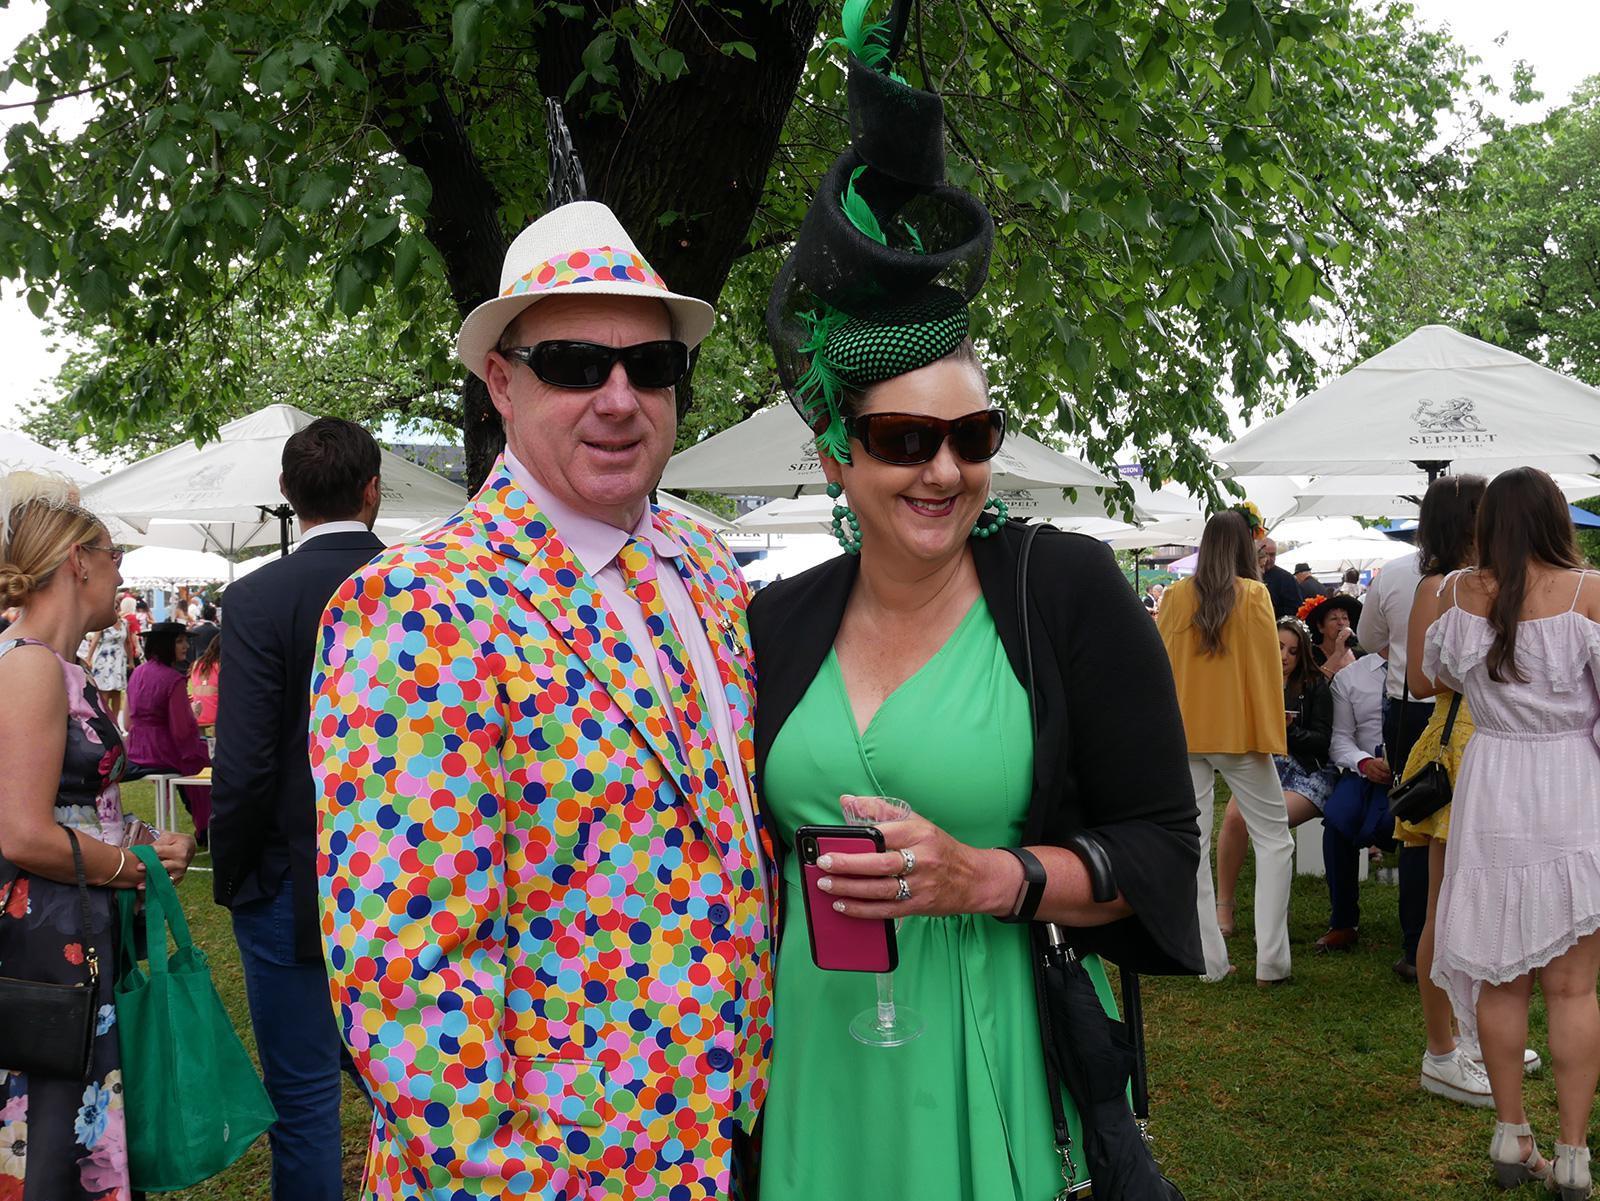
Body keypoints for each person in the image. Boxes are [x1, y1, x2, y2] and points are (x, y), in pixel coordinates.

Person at [750, 32, 1201, 1194]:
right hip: (808, 1057)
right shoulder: (774, 622)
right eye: (904, 440)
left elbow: (1160, 845)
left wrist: (987, 878)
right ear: (835, 454)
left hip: (981, 1038)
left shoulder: (1062, 590)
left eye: (972, 437)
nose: (943, 470)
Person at [310, 200, 770, 1199]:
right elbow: (405, 976)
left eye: (651, 368)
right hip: (544, 1170)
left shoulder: (702, 561)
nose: (619, 398)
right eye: (573, 363)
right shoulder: (413, 607)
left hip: (723, 1135)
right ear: (502, 382)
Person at [0, 471, 194, 1199]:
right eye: (115, 556)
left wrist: (147, 838)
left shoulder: (57, 666)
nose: (123, 574)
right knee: (53, 1136)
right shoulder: (28, 669)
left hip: (73, 932)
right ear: (78, 561)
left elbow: (73, 801)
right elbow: (21, 832)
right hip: (46, 947)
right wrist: (132, 866)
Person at [210, 417, 385, 1201]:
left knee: (307, 1097)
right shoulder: (424, 583)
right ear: (372, 490)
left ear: (287, 493)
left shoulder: (257, 597)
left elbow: (242, 762)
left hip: (289, 876)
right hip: (412, 871)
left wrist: (236, 871)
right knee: (422, 1087)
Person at [1424, 467, 1600, 1195]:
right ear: (1558, 518)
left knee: (1501, 976)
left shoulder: (1461, 596)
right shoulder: (1589, 593)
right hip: (1571, 788)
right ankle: (1573, 1153)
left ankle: (1509, 1132)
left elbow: (1429, 677)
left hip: (1491, 787)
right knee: (1572, 987)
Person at [1395, 474, 1501, 1110]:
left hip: (1490, 741)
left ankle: (1478, 1037)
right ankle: (1442, 1050)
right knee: (1446, 905)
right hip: (1458, 743)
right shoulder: (1437, 587)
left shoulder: (1485, 580)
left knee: (1482, 903)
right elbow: (1417, 678)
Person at [1158, 510, 1292, 986]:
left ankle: (1209, 962)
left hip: (1186, 734)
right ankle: (1271, 961)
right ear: (1244, 547)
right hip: (1238, 735)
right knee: (1275, 841)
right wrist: (1270, 735)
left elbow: (1162, 668)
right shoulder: (1255, 595)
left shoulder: (1174, 597)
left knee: (1192, 846)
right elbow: (1266, 673)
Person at [1215, 616, 1334, 937]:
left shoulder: (1315, 686)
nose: (1284, 656)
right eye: (1278, 646)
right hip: (1263, 767)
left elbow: (1322, 743)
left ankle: (1269, 916)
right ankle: (1224, 904)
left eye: (1293, 651)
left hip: (1308, 772)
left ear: (1303, 654)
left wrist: (1289, 729)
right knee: (1233, 817)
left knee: (1267, 820)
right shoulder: (1251, 681)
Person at [1357, 539, 1432, 983]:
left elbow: (1369, 640)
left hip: (1410, 705)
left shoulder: (1396, 573)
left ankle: (1415, 944)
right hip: (1477, 711)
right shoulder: (1489, 569)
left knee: (1417, 823)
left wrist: (1401, 652)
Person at [1319, 646, 1391, 952]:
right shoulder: (1352, 677)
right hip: (1365, 770)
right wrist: (1363, 762)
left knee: (1414, 832)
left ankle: (1420, 929)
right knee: (1337, 821)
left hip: (1418, 773)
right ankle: (1344, 922)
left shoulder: (1431, 669)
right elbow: (1340, 738)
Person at [125, 621, 212, 839]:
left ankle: (205, 824)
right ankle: (207, 825)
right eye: (180, 641)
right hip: (162, 749)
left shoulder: (137, 673)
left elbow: (127, 721)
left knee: (197, 755)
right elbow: (182, 731)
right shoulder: (172, 678)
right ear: (166, 645)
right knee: (206, 758)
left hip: (136, 748)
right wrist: (192, 715)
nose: (185, 646)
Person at [82, 611, 133, 730]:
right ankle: (104, 724)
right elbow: (94, 642)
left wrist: (131, 661)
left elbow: (128, 643)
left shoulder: (124, 623)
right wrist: (88, 659)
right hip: (104, 663)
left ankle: (115, 724)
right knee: (104, 693)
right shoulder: (103, 623)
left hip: (119, 662)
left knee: (117, 692)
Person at [1302, 591, 1362, 678]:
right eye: (1334, 618)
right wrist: (1338, 653)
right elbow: (1315, 687)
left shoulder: (1361, 656)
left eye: (1345, 618)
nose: (1341, 623)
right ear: (1321, 627)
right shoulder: (1311, 656)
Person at [187, 623, 221, 734]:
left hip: (196, 718)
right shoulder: (221, 666)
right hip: (216, 721)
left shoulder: (196, 664)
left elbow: (190, 692)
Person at [1259, 538, 1303, 619]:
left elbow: (1295, 609)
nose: (1268, 559)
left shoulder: (1287, 578)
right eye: (1265, 554)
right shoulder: (1248, 575)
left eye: (1272, 555)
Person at [186, 601, 219, 665]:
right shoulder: (217, 631)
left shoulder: (195, 630)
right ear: (214, 616)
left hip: (197, 663)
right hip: (213, 665)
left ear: (203, 616)